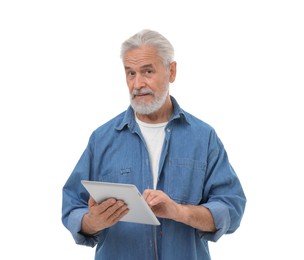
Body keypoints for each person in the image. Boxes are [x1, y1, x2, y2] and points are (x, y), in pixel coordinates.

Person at [62, 29, 246, 260]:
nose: (138, 83)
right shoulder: (101, 139)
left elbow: (232, 209)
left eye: (147, 71)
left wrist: (178, 212)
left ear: (171, 71)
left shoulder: (203, 137)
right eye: (130, 73)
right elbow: (72, 206)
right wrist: (91, 222)